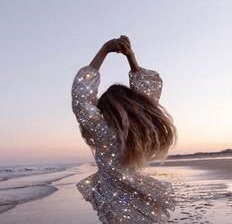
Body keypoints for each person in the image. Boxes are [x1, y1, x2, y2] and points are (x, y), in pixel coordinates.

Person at [71, 35, 177, 224]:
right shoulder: (138, 132)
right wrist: (130, 57)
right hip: (142, 205)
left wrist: (104, 50)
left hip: (118, 209)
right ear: (132, 107)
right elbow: (147, 96)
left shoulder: (101, 131)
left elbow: (82, 96)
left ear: (104, 109)